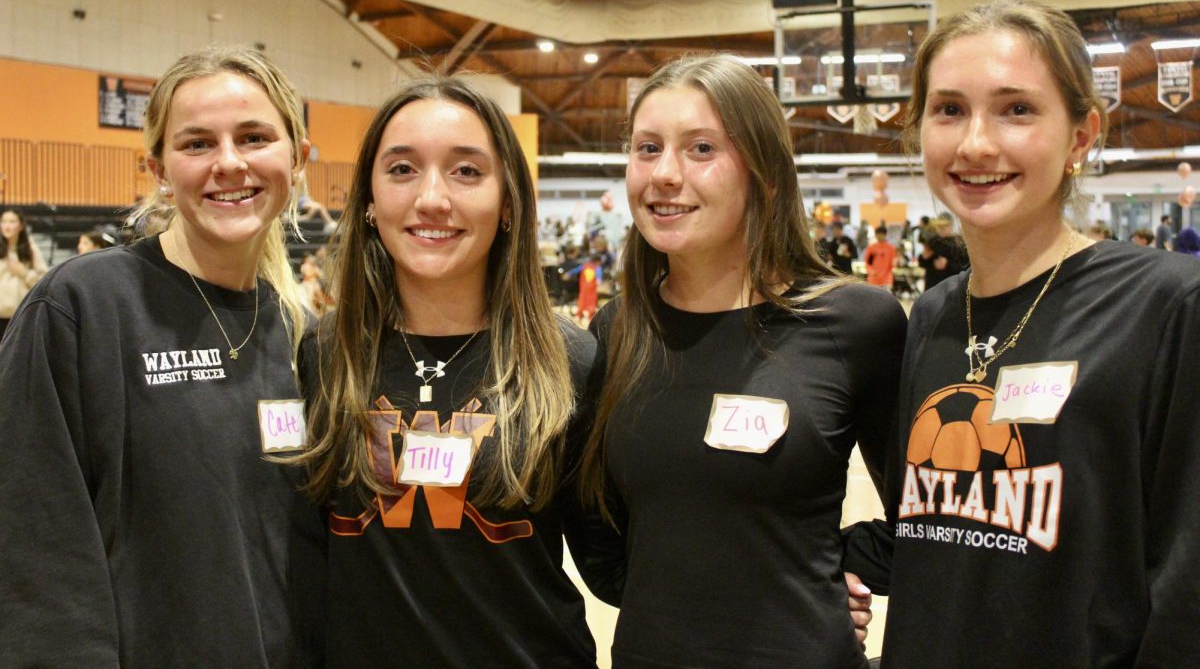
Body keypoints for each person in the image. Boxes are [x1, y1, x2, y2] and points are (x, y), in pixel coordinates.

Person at [878, 0, 1200, 666]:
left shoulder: (1165, 304)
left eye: (1016, 109)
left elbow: (1187, 583)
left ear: (1080, 135)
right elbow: (933, 530)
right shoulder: (933, 317)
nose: (975, 144)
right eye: (949, 110)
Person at [0, 46, 323, 666]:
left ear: (298, 157)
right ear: (158, 169)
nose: (229, 163)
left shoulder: (301, 332)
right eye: (197, 144)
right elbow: (34, 550)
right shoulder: (84, 307)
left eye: (254, 137)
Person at [579, 55, 904, 667]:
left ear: (767, 174)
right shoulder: (619, 328)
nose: (665, 175)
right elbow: (601, 526)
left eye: (701, 149)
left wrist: (826, 569)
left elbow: (930, 515)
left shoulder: (855, 323)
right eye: (647, 148)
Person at [293, 77, 621, 667]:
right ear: (368, 200)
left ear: (509, 202)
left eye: (467, 171)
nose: (432, 199)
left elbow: (615, 562)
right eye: (401, 170)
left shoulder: (568, 360)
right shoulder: (322, 353)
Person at [0, 209, 48, 340]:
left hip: (19, 315)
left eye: (11, 221)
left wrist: (23, 272)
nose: (7, 226)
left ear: (20, 225)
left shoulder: (30, 248)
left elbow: (43, 281)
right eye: (3, 221)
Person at [917, 215, 967, 289]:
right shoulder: (933, 242)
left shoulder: (959, 244)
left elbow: (965, 268)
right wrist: (924, 257)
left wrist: (947, 264)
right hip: (932, 286)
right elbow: (923, 264)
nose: (941, 229)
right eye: (939, 226)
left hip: (951, 287)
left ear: (951, 226)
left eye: (944, 226)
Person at [863, 225, 898, 290]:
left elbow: (893, 264)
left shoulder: (891, 248)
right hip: (874, 279)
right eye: (878, 234)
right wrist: (871, 271)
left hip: (886, 280)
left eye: (881, 235)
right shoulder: (871, 248)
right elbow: (868, 263)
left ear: (885, 235)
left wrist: (896, 263)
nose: (879, 236)